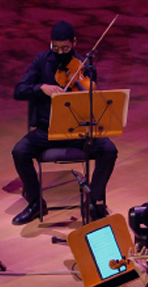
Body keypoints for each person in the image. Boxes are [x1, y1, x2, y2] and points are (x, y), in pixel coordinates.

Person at [11, 20, 118, 225]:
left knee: (109, 150)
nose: (60, 52)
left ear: (74, 43)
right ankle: (35, 203)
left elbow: (93, 102)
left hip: (78, 132)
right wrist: (40, 87)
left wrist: (87, 92)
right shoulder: (41, 60)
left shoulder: (83, 66)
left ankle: (95, 201)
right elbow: (19, 90)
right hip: (47, 131)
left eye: (65, 48)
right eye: (55, 47)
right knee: (19, 151)